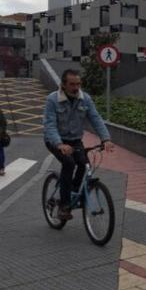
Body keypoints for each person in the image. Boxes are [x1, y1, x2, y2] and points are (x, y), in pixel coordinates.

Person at [43, 69, 114, 220]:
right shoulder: (52, 99)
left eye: (78, 84)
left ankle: (73, 190)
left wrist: (106, 139)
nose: (76, 87)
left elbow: (96, 119)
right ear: (63, 85)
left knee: (84, 164)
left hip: (75, 140)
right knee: (69, 163)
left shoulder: (85, 99)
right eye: (72, 84)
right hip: (55, 140)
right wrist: (59, 144)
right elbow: (50, 125)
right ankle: (64, 205)